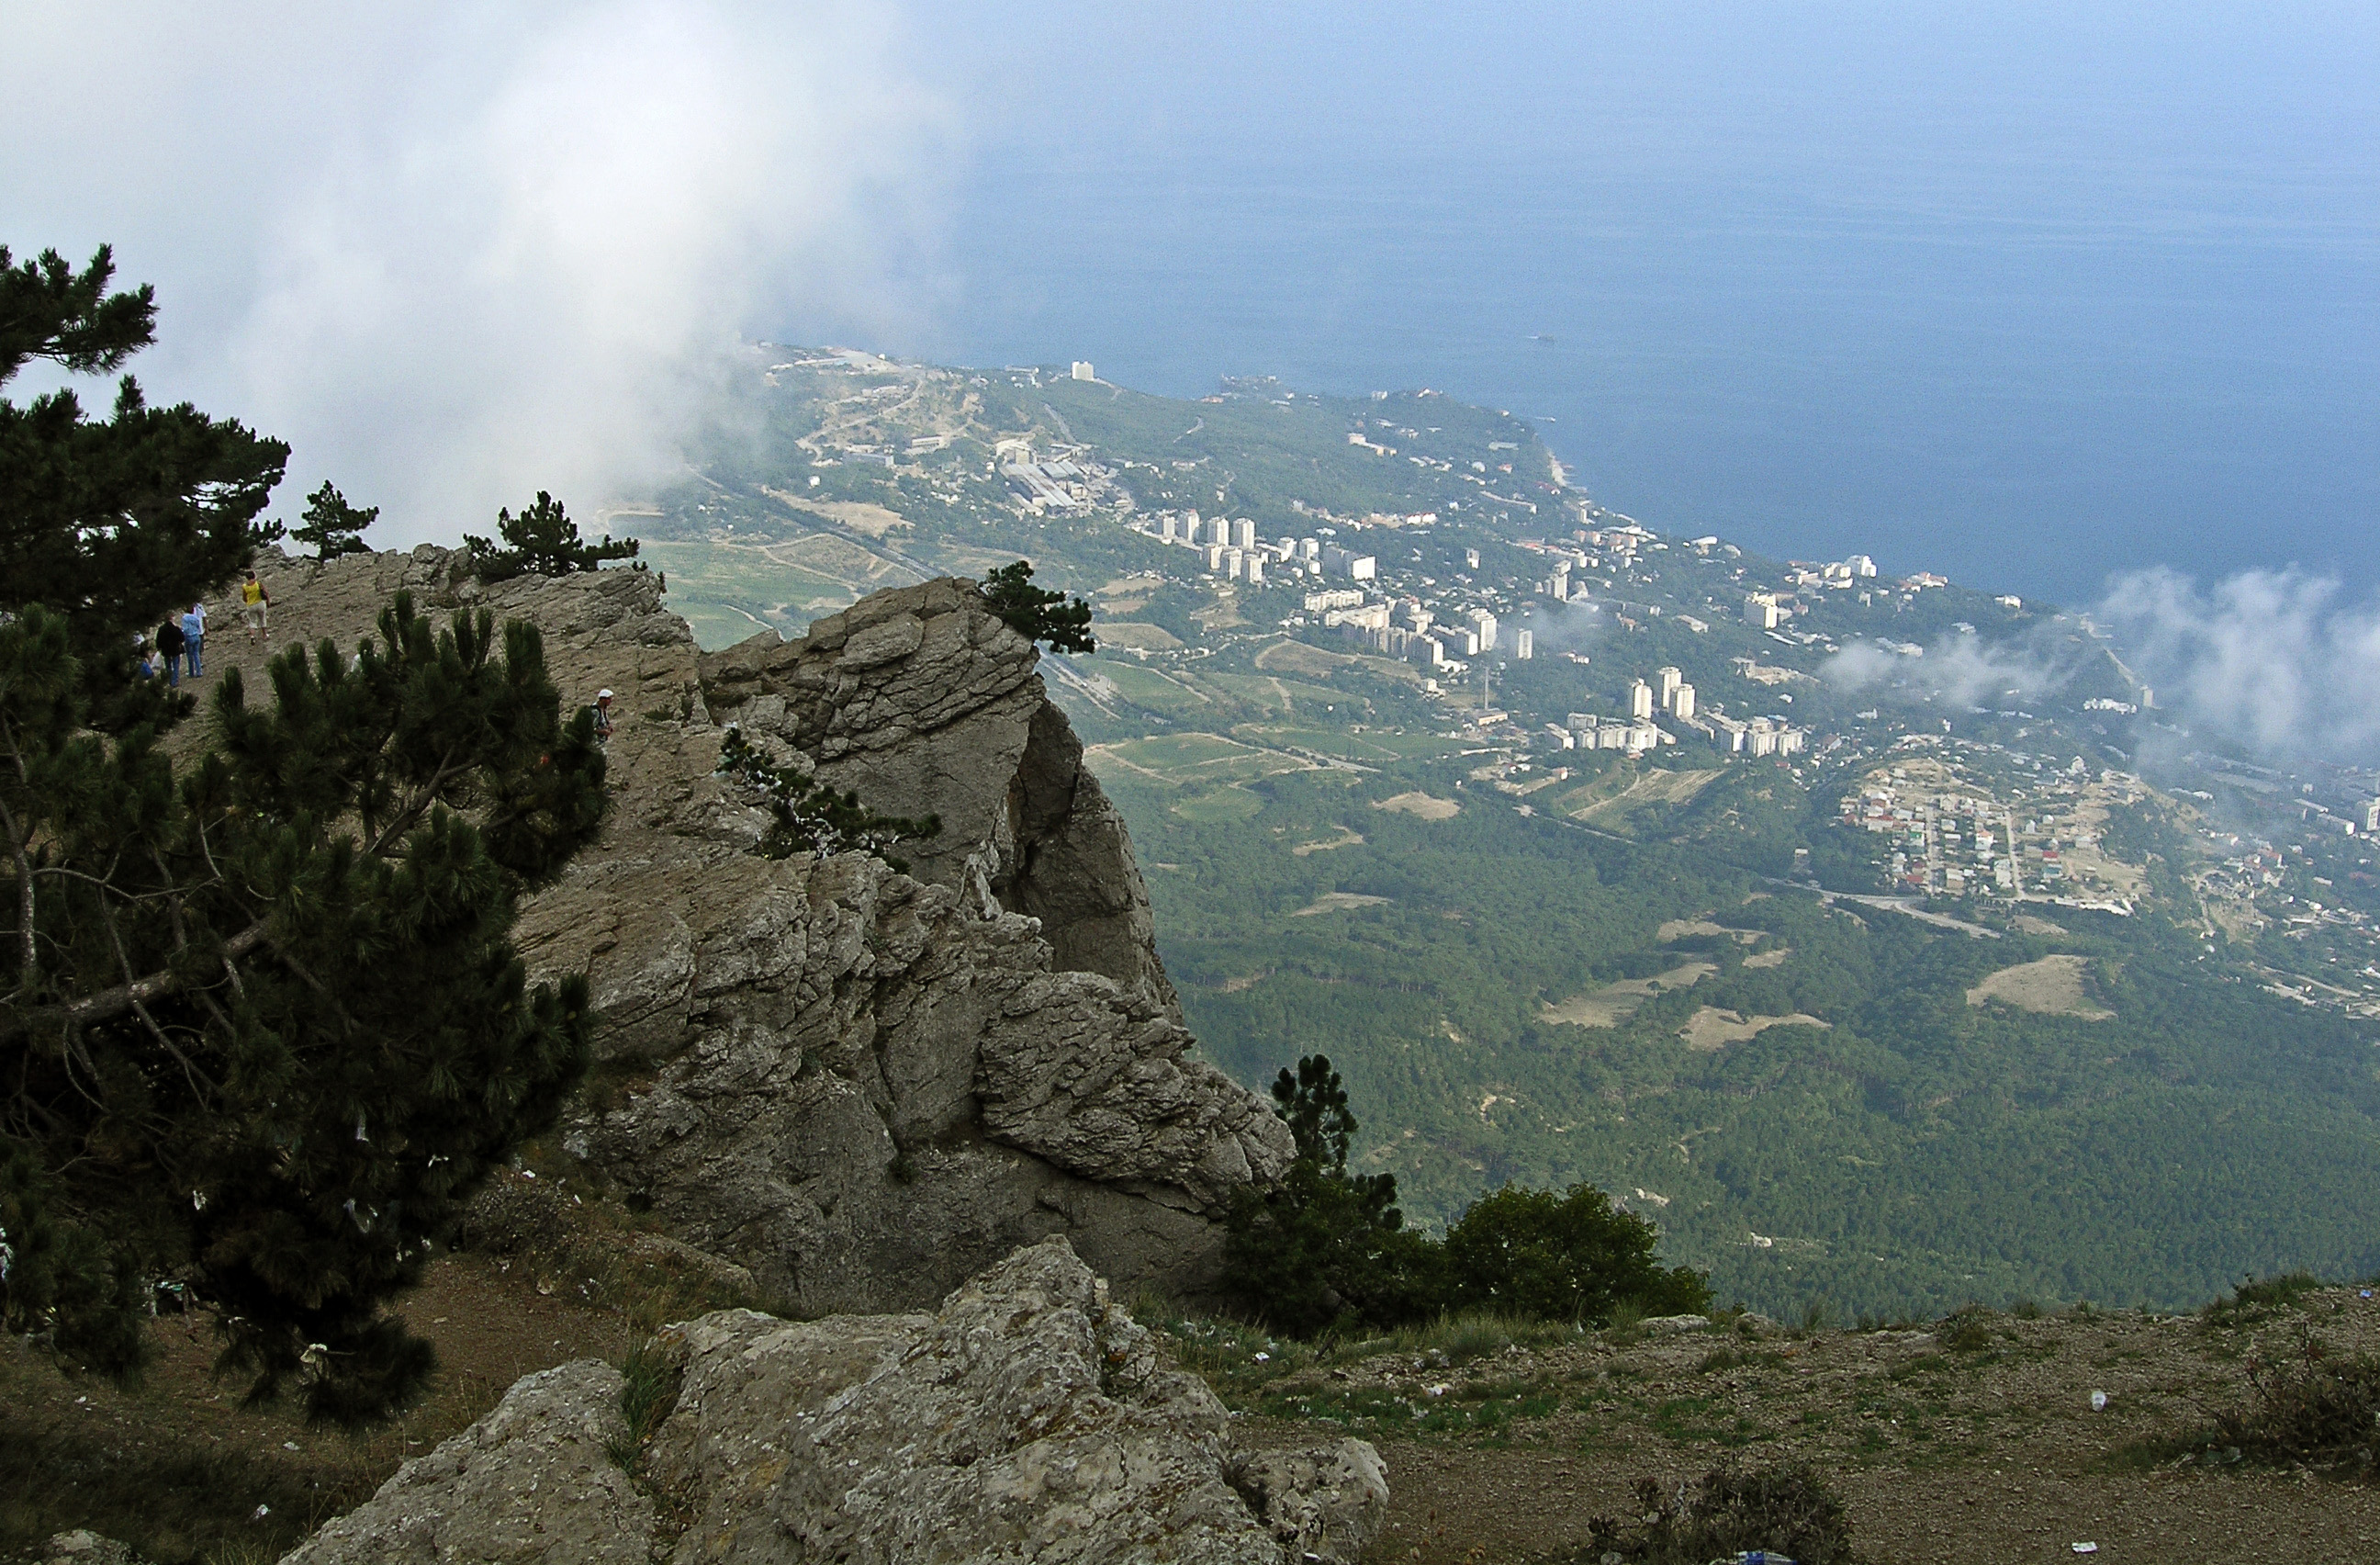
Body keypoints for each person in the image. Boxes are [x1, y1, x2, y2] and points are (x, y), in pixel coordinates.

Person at [240, 569, 271, 646]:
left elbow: (244, 598)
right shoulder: (258, 583)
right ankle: (264, 635)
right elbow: (266, 592)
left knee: (252, 621)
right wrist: (268, 601)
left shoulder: (244, 586)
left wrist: (248, 601)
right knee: (262, 619)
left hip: (250, 605)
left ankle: (252, 636)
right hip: (260, 603)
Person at [155, 615, 185, 688]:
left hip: (166, 650)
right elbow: (182, 638)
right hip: (175, 649)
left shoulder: (161, 629)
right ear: (171, 619)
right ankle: (174, 681)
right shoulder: (175, 629)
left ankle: (169, 679)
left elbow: (158, 641)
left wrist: (159, 648)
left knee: (168, 666)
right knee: (176, 666)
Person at [180, 602, 206, 679]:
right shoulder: (195, 617)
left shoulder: (184, 618)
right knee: (196, 654)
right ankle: (199, 671)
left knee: (189, 656)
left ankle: (191, 672)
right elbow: (198, 625)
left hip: (189, 637)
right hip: (196, 636)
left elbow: (186, 629)